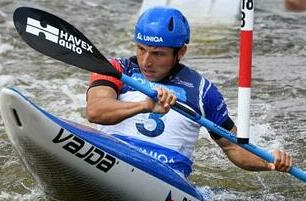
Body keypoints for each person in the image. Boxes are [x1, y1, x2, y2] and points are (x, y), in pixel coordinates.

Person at [86, 7, 292, 178]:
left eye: (158, 54)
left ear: (181, 52)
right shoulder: (116, 69)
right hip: (114, 153)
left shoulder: (203, 91)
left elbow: (233, 147)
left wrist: (270, 162)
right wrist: (144, 106)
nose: (146, 61)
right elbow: (95, 111)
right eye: (141, 49)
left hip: (166, 173)